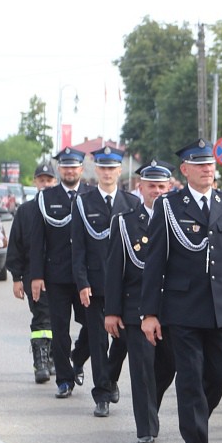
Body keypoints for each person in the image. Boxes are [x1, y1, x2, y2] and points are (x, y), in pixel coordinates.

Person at [140, 139, 222, 443]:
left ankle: (195, 418)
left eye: (211, 164)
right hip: (182, 309)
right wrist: (149, 313)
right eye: (200, 164)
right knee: (189, 378)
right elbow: (154, 264)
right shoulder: (169, 206)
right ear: (185, 170)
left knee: (219, 376)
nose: (209, 169)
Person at [104, 162, 177, 443]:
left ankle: (150, 407)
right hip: (135, 308)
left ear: (169, 188)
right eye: (151, 186)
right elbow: (114, 269)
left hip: (171, 307)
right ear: (141, 187)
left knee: (167, 366)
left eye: (162, 186)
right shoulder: (124, 221)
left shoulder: (179, 219)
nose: (157, 191)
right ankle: (145, 426)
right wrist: (111, 311)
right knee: (142, 368)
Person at [72, 145, 140, 418]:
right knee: (98, 341)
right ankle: (101, 394)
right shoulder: (83, 202)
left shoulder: (131, 203)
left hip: (126, 287)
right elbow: (77, 247)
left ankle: (110, 378)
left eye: (113, 168)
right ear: (96, 170)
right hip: (96, 285)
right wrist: (82, 282)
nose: (108, 173)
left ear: (119, 170)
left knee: (123, 340)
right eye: (103, 168)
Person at [30, 147, 93, 398]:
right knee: (59, 330)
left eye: (74, 166)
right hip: (56, 276)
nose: (69, 170)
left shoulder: (91, 195)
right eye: (65, 166)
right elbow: (38, 240)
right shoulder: (46, 198)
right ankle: (64, 380)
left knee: (92, 326)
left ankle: (77, 358)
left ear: (81, 169)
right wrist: (36, 276)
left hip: (87, 277)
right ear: (60, 170)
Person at [6, 163, 57, 383]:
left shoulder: (63, 207)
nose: (45, 184)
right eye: (41, 180)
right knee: (41, 318)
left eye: (49, 180)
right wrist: (16, 278)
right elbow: (15, 246)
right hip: (31, 275)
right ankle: (41, 361)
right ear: (35, 182)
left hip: (59, 275)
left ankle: (54, 356)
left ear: (55, 182)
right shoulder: (26, 211)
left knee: (58, 319)